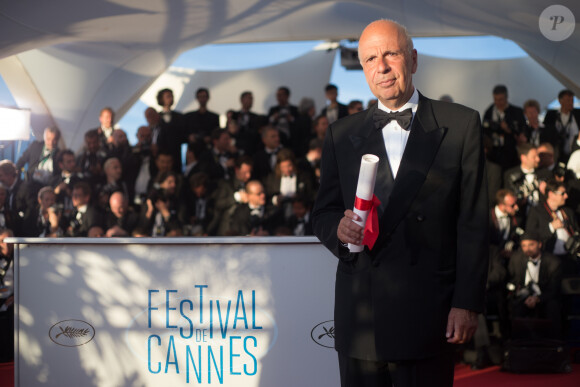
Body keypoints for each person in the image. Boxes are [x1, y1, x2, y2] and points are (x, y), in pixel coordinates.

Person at [311, 20, 488, 387]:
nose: (382, 66)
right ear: (363, 68)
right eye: (370, 58)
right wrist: (338, 231)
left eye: (391, 53)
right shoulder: (340, 134)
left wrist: (466, 302)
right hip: (361, 314)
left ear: (413, 59)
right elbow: (323, 213)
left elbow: (472, 222)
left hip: (428, 312)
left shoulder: (461, 125)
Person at [507, 232, 562, 339]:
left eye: (531, 244)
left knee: (553, 307)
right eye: (524, 245)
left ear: (539, 245)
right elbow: (512, 279)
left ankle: (554, 344)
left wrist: (537, 299)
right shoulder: (516, 259)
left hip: (544, 296)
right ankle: (517, 345)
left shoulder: (553, 262)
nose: (527, 248)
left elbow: (554, 289)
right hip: (523, 295)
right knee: (513, 306)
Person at [482, 85, 526, 170]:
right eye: (495, 99)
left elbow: (522, 132)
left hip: (512, 154)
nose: (498, 102)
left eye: (501, 99)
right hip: (493, 154)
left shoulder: (517, 112)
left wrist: (509, 129)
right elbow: (484, 130)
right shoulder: (489, 112)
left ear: (506, 97)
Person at [544, 89, 580, 163]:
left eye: (572, 100)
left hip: (575, 151)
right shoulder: (551, 115)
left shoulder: (578, 114)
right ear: (560, 101)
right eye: (568, 100)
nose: (571, 103)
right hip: (557, 152)